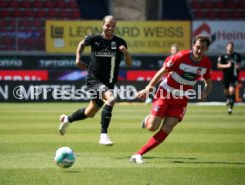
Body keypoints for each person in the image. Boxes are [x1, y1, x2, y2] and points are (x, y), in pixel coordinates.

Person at [130, 35, 212, 163]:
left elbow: (209, 83)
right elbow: (161, 72)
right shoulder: (180, 57)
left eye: (202, 48)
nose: (199, 51)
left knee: (167, 128)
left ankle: (138, 154)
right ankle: (147, 120)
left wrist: (205, 92)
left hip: (181, 100)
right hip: (165, 94)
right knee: (152, 127)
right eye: (197, 47)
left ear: (207, 49)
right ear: (193, 46)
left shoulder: (206, 63)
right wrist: (148, 89)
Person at [59, 15, 132, 146]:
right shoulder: (94, 39)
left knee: (90, 112)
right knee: (111, 99)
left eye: (113, 26)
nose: (110, 28)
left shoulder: (120, 42)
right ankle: (103, 135)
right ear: (103, 25)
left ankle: (67, 119)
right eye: (108, 25)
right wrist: (77, 58)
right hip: (94, 80)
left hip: (109, 83)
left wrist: (126, 53)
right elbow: (81, 44)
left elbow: (129, 63)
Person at [217, 42, 241, 115]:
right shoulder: (223, 56)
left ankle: (230, 108)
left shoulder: (237, 55)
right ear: (226, 47)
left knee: (232, 90)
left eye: (231, 47)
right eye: (229, 46)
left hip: (234, 76)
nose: (230, 48)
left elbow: (239, 65)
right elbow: (219, 66)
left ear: (233, 47)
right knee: (226, 91)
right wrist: (227, 65)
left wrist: (237, 67)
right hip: (226, 76)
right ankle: (228, 98)